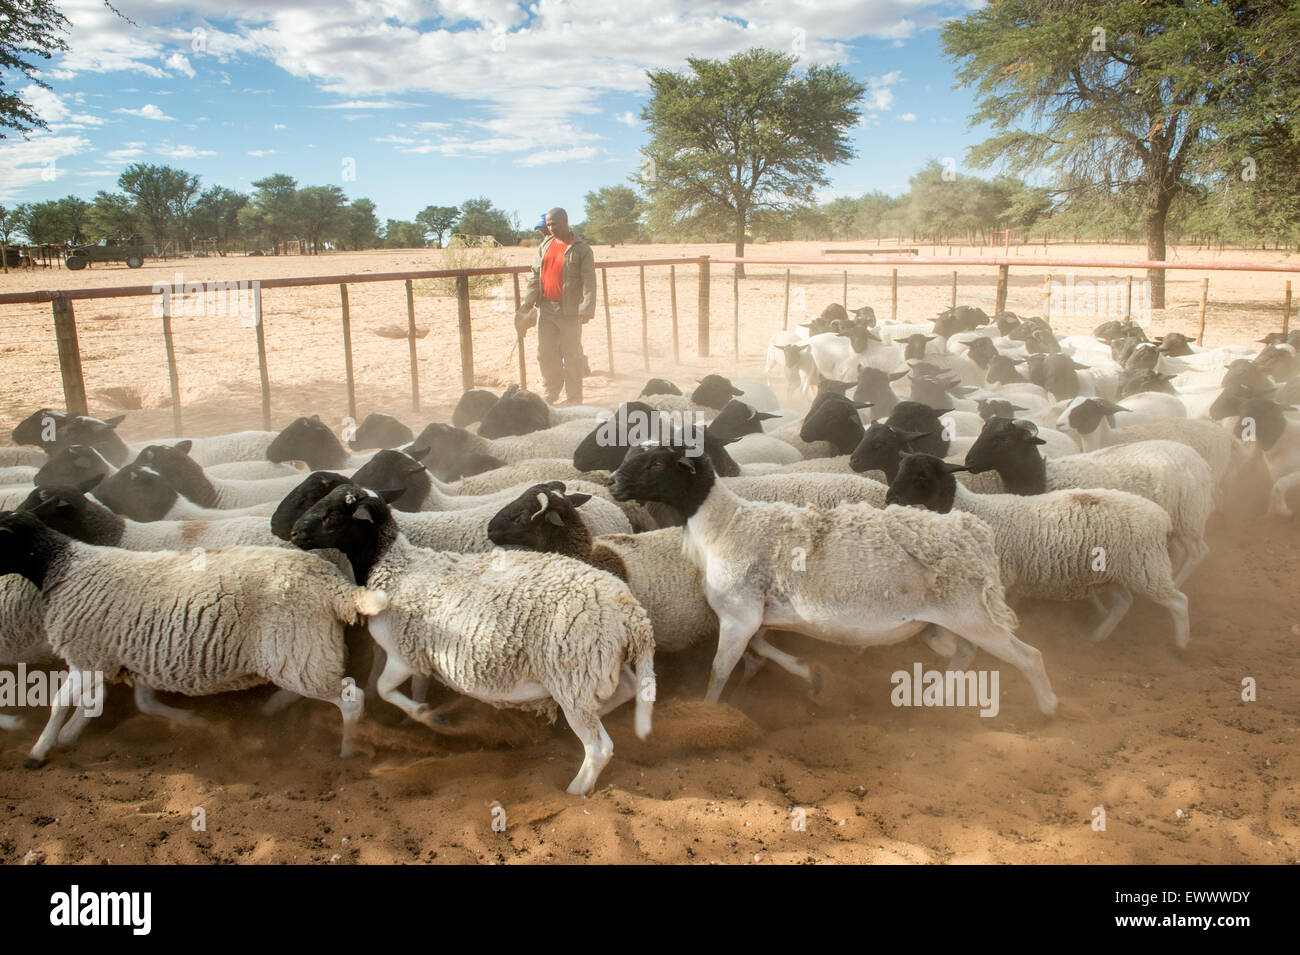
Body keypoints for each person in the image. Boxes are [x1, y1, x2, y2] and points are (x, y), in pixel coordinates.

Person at [516, 207, 596, 404]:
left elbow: (589, 282)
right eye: (549, 224)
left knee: (572, 356)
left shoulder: (581, 249)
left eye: (555, 224)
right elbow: (536, 276)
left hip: (570, 311)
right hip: (547, 310)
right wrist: (527, 303)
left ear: (566, 221)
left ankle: (574, 398)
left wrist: (586, 309)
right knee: (545, 354)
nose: (551, 228)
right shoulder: (546, 245)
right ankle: (551, 391)